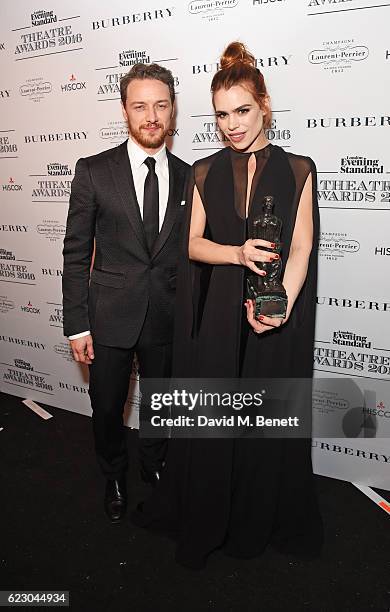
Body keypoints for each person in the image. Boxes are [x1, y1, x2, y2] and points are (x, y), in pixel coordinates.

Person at [131, 42, 323, 568]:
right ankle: (210, 511)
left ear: (264, 103)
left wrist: (281, 304)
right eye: (221, 115)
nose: (232, 125)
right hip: (216, 312)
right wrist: (237, 253)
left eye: (241, 110)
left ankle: (256, 515)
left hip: (273, 310)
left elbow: (303, 245)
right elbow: (192, 244)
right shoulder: (204, 172)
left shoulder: (301, 169)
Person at [62, 63, 189, 523]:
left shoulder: (190, 175)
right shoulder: (94, 171)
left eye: (160, 104)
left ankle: (154, 467)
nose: (151, 115)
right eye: (140, 105)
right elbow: (76, 252)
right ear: (124, 111)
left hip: (168, 316)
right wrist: (76, 323)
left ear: (172, 109)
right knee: (107, 407)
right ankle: (113, 475)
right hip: (108, 315)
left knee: (160, 402)